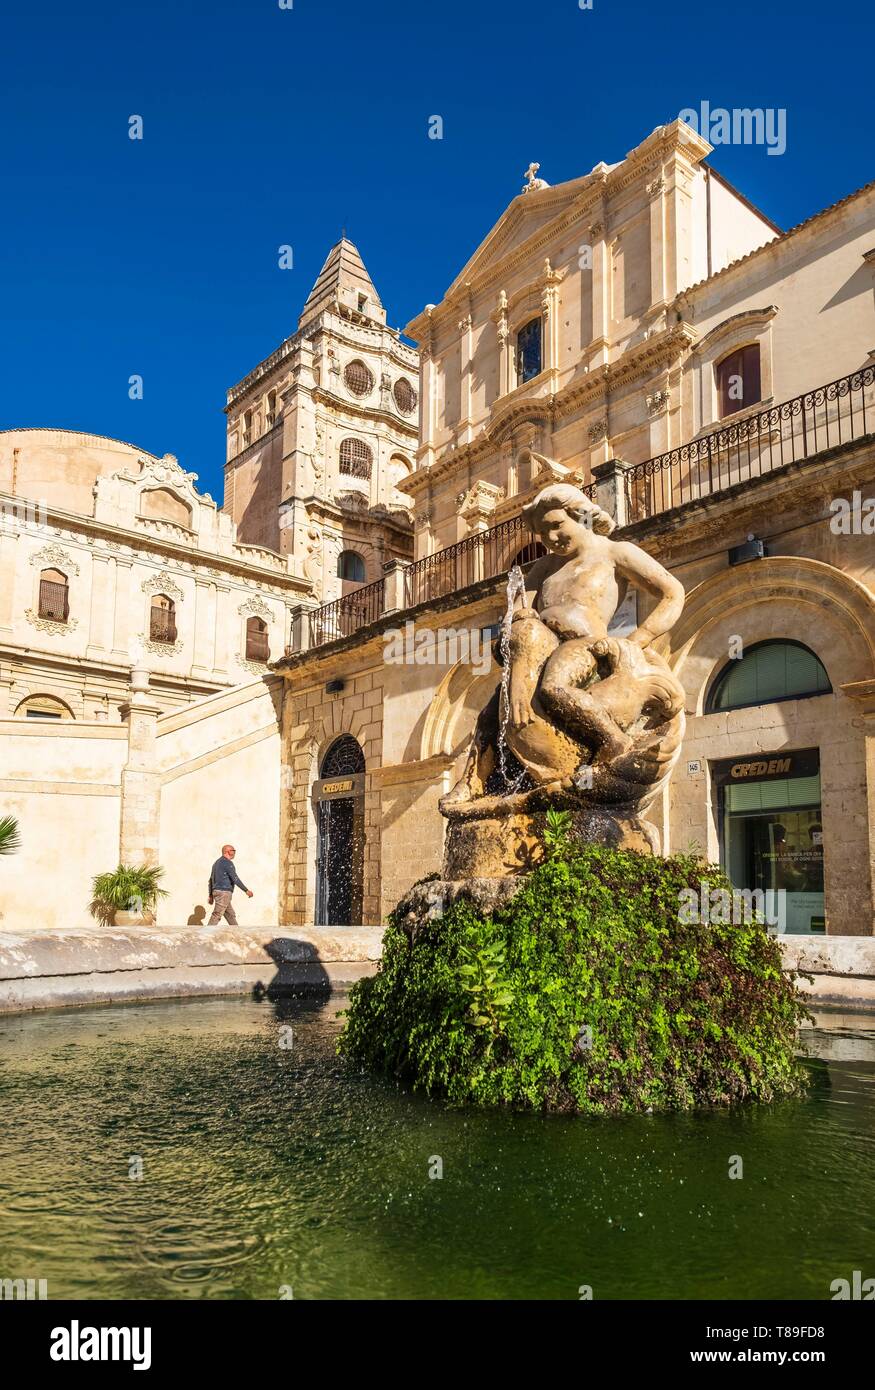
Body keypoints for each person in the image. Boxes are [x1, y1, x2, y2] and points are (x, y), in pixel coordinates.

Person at [207, 845, 253, 926]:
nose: (234, 852)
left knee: (230, 915)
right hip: (224, 893)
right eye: (233, 850)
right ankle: (206, 935)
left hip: (218, 892)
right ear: (228, 851)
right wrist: (246, 890)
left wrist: (211, 895)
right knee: (217, 915)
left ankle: (237, 932)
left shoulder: (216, 863)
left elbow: (211, 880)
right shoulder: (227, 863)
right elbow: (235, 878)